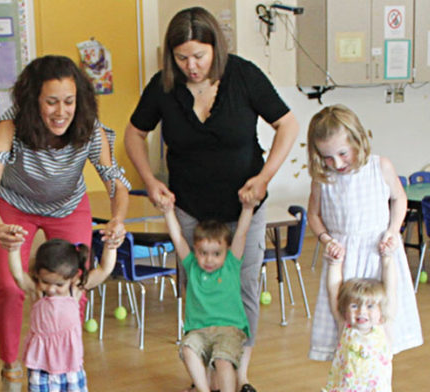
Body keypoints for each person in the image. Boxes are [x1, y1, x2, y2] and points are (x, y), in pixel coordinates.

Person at [123, 6, 298, 390]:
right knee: (196, 288)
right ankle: (204, 371)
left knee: (245, 286)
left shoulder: (243, 75)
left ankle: (239, 373)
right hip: (190, 209)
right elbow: (134, 133)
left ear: (215, 48)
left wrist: (264, 177)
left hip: (243, 206)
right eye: (182, 57)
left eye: (199, 56)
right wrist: (150, 180)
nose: (191, 66)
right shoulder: (163, 86)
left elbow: (287, 124)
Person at [0, 55, 130, 392]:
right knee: (11, 286)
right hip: (14, 207)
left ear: (80, 101)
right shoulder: (9, 128)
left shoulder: (90, 129)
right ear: (34, 101)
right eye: (52, 102)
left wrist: (117, 219)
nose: (61, 112)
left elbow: (116, 183)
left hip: (68, 206)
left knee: (77, 282)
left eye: (69, 102)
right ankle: (11, 366)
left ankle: (68, 360)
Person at [306, 104, 423, 362]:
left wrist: (393, 231)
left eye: (342, 153)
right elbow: (313, 215)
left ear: (357, 140)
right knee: (345, 322)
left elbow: (399, 198)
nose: (336, 163)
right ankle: (350, 375)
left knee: (383, 318)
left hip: (377, 254)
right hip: (344, 260)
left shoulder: (379, 166)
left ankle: (379, 375)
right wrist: (326, 239)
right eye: (327, 157)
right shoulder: (323, 178)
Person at [162, 195, 257, 392]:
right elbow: (177, 238)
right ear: (195, 250)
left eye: (216, 254)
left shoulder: (231, 264)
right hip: (199, 331)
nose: (209, 260)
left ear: (227, 251)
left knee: (223, 360)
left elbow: (241, 233)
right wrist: (168, 211)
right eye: (203, 252)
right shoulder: (192, 266)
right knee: (188, 349)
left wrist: (248, 208)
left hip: (230, 330)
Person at [7, 232, 117, 392]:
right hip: (41, 366)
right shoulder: (38, 292)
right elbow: (17, 275)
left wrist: (110, 246)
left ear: (72, 278)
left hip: (70, 366)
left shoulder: (76, 290)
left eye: (59, 285)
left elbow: (104, 270)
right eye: (46, 282)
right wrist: (13, 249)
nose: (51, 289)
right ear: (37, 274)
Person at [322, 247, 397, 392]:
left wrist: (387, 260)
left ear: (381, 310)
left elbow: (391, 289)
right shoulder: (345, 326)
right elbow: (333, 290)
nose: (362, 312)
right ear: (345, 309)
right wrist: (335, 264)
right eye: (355, 306)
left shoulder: (384, 327)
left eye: (370, 306)